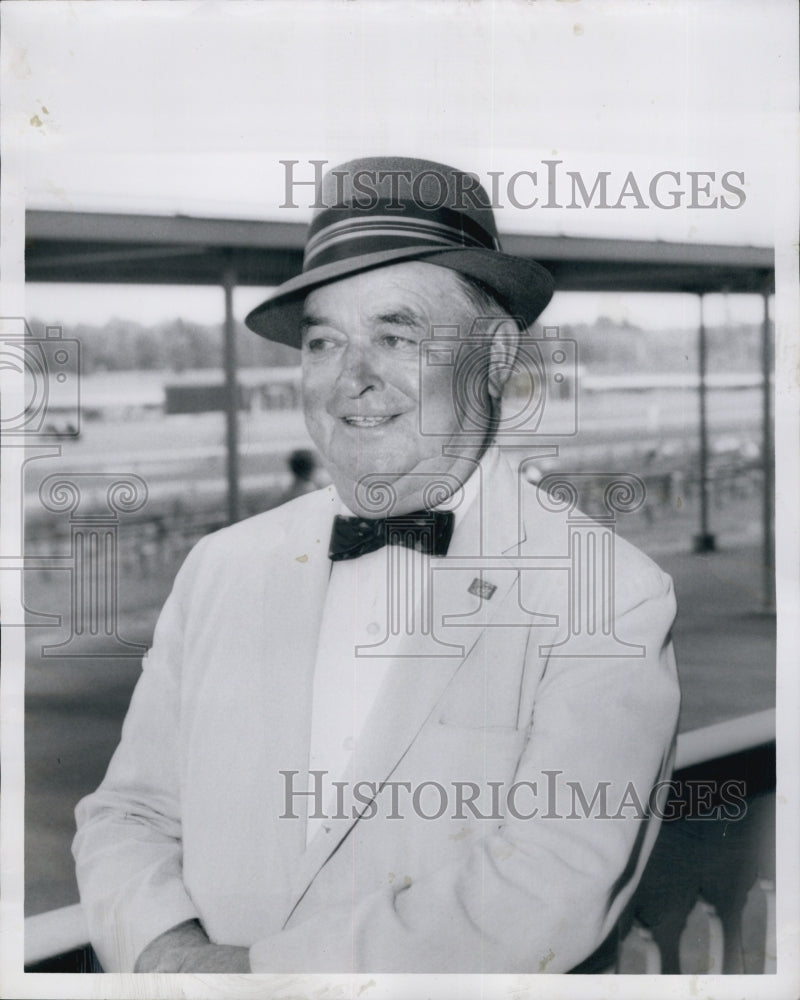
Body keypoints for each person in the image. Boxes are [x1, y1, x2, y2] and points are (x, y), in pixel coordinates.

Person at [72, 157, 680, 974]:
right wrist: (165, 957)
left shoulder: (609, 595)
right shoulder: (220, 569)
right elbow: (128, 813)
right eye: (326, 342)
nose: (352, 380)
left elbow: (550, 881)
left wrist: (256, 983)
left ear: (496, 358)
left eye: (396, 336)